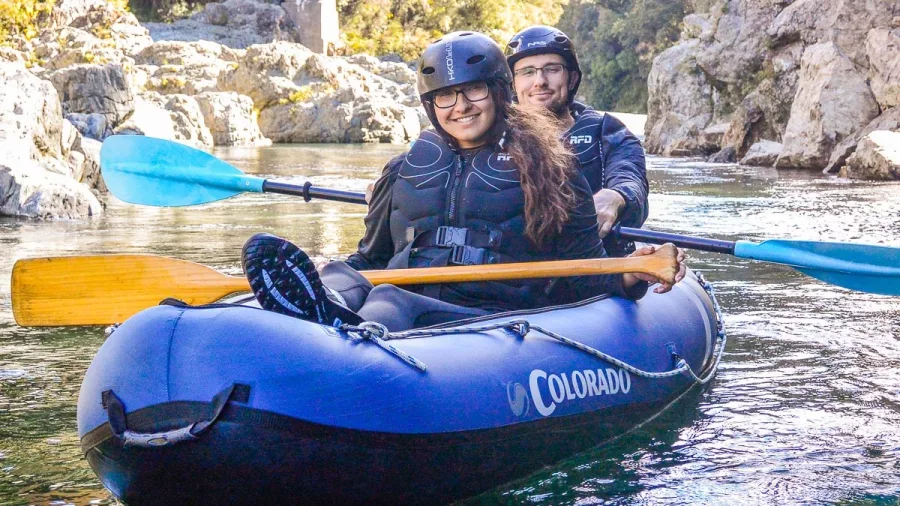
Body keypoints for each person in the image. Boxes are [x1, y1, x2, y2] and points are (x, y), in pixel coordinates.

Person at [242, 31, 684, 332]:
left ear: (497, 91)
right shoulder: (407, 167)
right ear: (430, 104)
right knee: (342, 275)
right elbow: (371, 257)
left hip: (487, 314)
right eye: (445, 96)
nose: (460, 107)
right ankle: (318, 308)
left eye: (474, 91)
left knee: (391, 302)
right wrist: (331, 273)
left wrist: (630, 274)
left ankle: (337, 338)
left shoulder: (555, 168)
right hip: (405, 289)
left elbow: (583, 274)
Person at [506, 25, 649, 257]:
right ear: (513, 83)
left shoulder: (608, 131)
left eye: (552, 69)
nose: (540, 81)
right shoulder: (493, 134)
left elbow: (630, 175)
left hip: (594, 262)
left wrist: (617, 196)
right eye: (527, 72)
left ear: (572, 78)